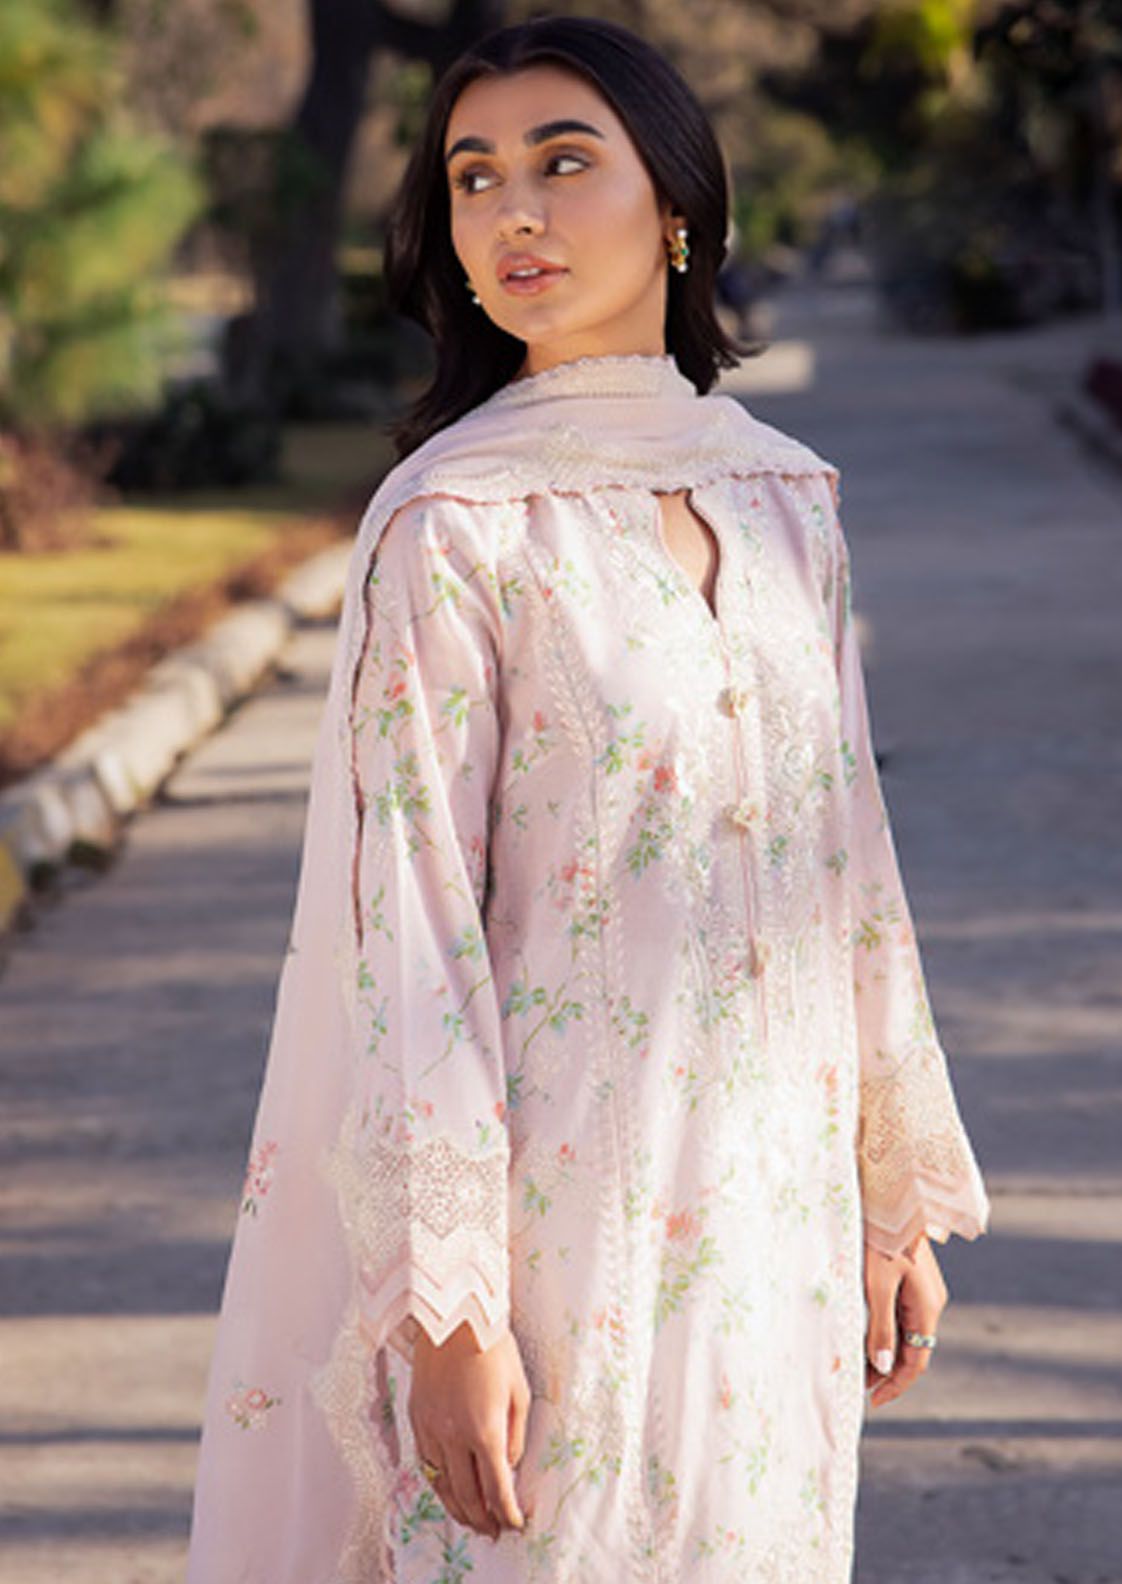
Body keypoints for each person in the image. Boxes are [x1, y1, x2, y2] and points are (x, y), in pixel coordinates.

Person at [185, 15, 990, 1583]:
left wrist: (888, 1197)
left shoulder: (784, 496)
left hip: (774, 1219)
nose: (515, 212)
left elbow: (849, 863)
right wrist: (448, 1310)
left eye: (563, 163)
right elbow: (408, 937)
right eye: (472, 177)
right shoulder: (455, 525)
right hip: (557, 1228)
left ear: (676, 202)